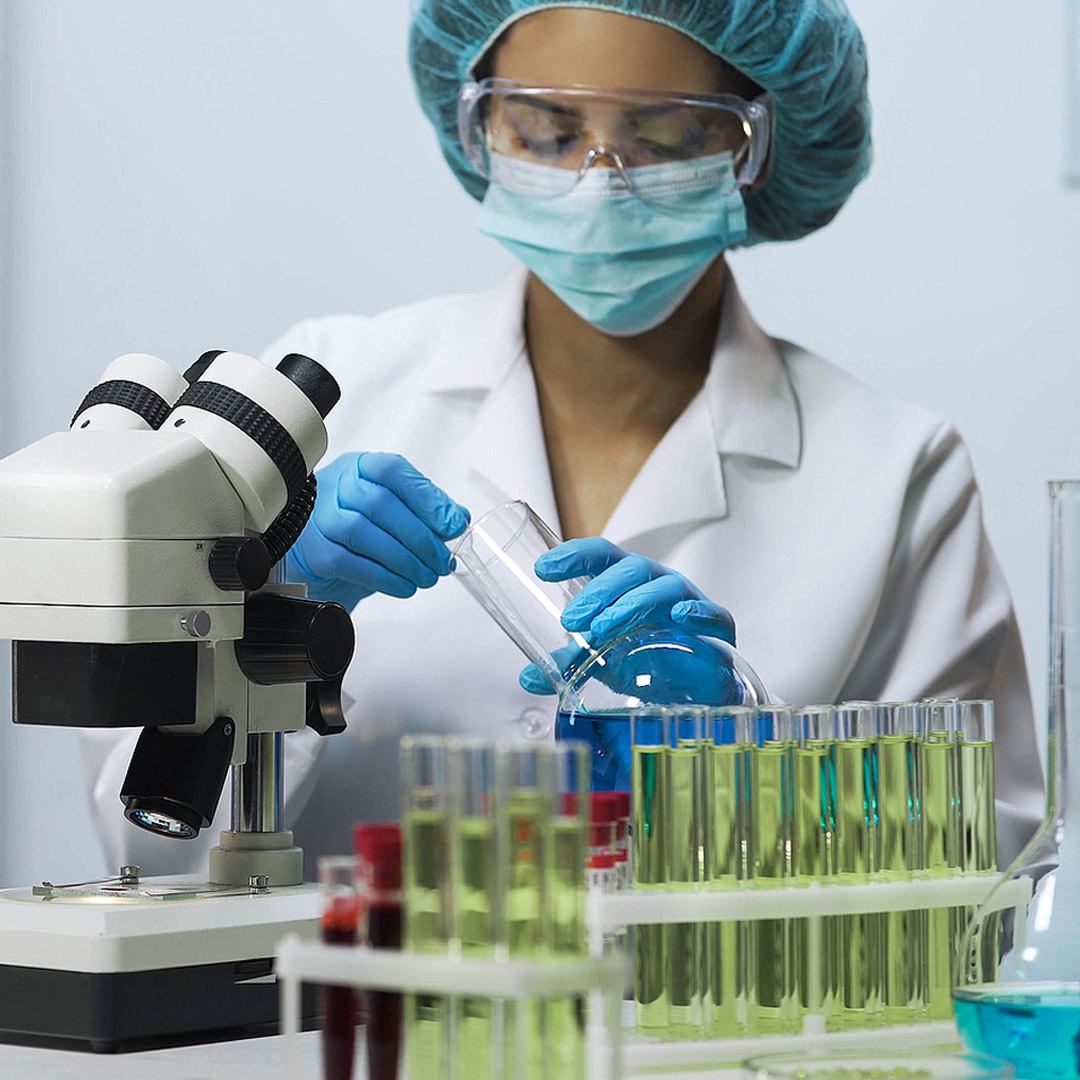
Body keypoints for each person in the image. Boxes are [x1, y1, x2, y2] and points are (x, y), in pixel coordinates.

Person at [83, 0, 1044, 874]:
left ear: (755, 145)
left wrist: (745, 745)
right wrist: (271, 617)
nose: (600, 184)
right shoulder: (318, 397)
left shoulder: (895, 471)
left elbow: (986, 870)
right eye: (547, 129)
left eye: (668, 136)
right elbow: (143, 846)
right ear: (481, 128)